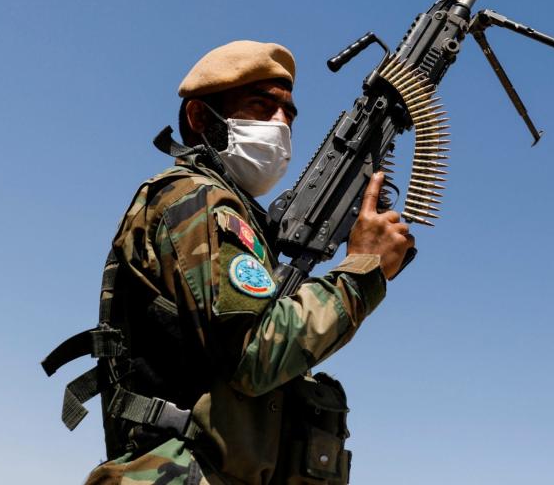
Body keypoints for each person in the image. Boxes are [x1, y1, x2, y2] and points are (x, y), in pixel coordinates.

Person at [74, 40, 414, 485]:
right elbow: (255, 356)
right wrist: (362, 271)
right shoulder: (197, 199)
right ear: (201, 119)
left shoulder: (232, 218)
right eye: (261, 107)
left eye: (288, 115)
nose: (280, 126)